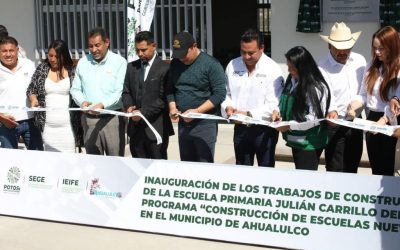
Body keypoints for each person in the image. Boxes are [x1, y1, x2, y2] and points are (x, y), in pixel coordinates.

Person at [221, 28, 283, 167]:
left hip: (264, 129)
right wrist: (228, 107)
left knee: (266, 170)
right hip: (241, 128)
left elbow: (274, 104)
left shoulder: (272, 68)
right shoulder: (232, 65)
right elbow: (226, 93)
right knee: (242, 169)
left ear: (262, 48)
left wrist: (248, 114)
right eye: (243, 52)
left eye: (251, 53)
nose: (246, 57)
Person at [166, 31, 226, 163]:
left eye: (184, 54)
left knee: (204, 165)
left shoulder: (211, 65)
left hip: (204, 124)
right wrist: (172, 107)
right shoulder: (176, 63)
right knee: (187, 165)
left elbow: (220, 94)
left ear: (194, 46)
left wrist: (197, 112)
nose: (182, 59)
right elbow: (170, 89)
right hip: (183, 124)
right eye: (178, 55)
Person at [348, 26, 400, 176]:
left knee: (389, 169)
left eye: (381, 49)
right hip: (372, 120)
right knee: (376, 167)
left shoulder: (398, 68)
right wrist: (354, 106)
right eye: (375, 48)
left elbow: (397, 100)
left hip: (391, 121)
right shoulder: (372, 65)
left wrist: (383, 121)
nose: (377, 53)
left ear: (392, 46)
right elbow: (364, 94)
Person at [70, 27, 127, 156]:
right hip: (89, 120)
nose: (94, 50)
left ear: (107, 42)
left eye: (97, 45)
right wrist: (82, 102)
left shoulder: (119, 62)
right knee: (94, 165)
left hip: (112, 119)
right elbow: (75, 89)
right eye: (90, 46)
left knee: (116, 162)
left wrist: (103, 105)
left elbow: (119, 92)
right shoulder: (83, 63)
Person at [318, 22, 366, 173]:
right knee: (335, 167)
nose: (343, 52)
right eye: (339, 49)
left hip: (356, 122)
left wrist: (356, 105)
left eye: (347, 49)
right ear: (329, 46)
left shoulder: (360, 61)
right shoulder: (322, 66)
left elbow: (364, 90)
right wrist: (332, 110)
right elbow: (325, 94)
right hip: (335, 124)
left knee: (353, 166)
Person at [273, 46, 331, 170]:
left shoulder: (316, 87)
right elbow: (285, 99)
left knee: (306, 179)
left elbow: (313, 120)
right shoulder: (293, 80)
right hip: (297, 140)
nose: (289, 71)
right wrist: (278, 111)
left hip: (309, 143)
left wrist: (288, 125)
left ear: (303, 68)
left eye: (293, 68)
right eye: (288, 67)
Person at [122, 31, 174, 159]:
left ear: (154, 46)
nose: (140, 54)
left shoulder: (165, 68)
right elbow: (125, 92)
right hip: (135, 130)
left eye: (144, 50)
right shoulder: (131, 67)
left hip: (156, 128)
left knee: (158, 169)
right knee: (138, 169)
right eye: (137, 50)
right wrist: (129, 107)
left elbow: (163, 99)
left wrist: (141, 113)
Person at [26, 40, 83, 153]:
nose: (52, 59)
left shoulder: (72, 70)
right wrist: (33, 99)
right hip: (48, 127)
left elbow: (80, 92)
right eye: (50, 55)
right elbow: (31, 89)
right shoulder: (42, 68)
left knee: (69, 162)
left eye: (56, 56)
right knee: (51, 162)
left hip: (68, 128)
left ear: (64, 56)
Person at [0, 36, 43, 150]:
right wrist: (1, 117)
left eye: (11, 50)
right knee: (11, 162)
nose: (8, 54)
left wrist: (35, 99)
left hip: (31, 121)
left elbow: (36, 88)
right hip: (6, 124)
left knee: (37, 158)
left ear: (17, 51)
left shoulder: (28, 65)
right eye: (4, 51)